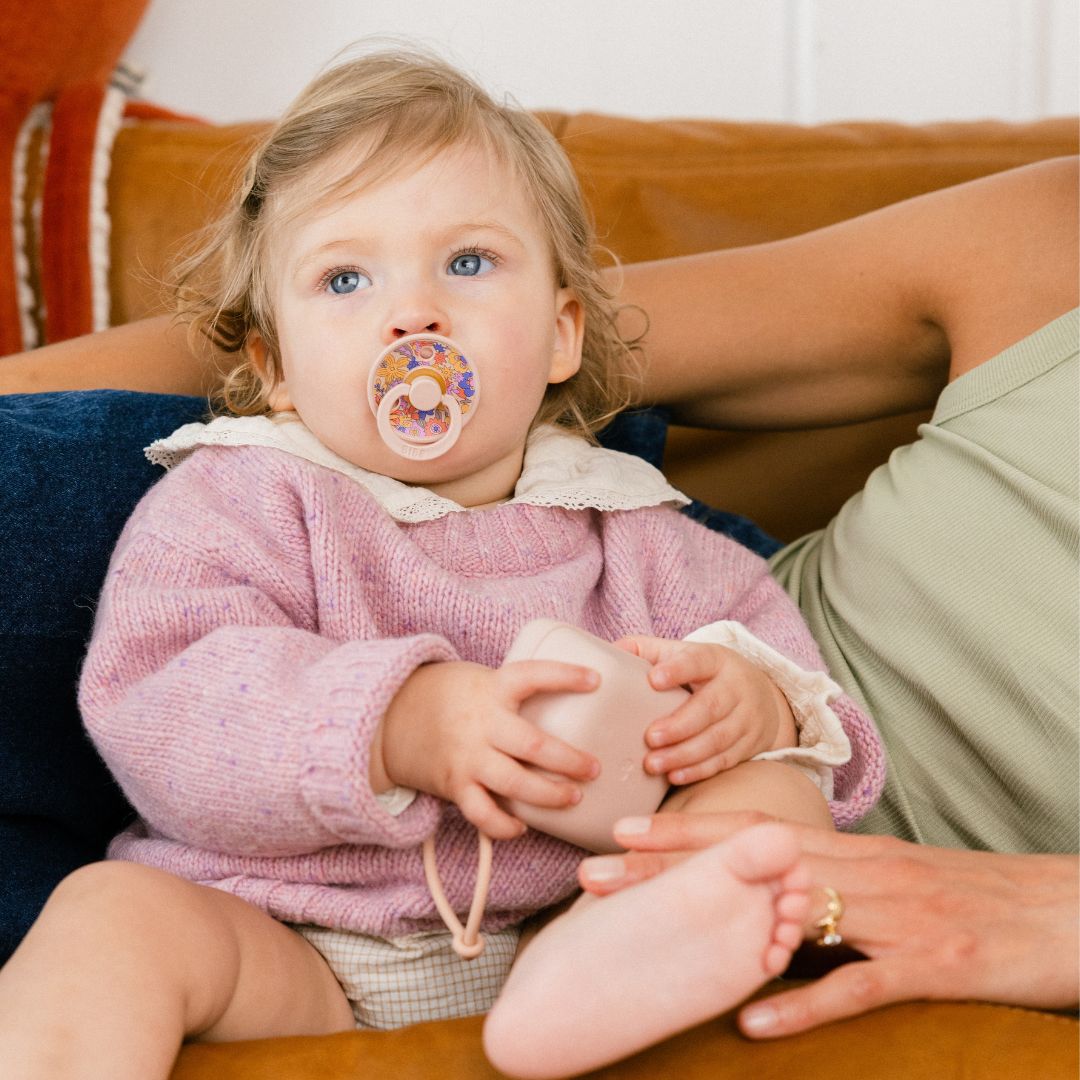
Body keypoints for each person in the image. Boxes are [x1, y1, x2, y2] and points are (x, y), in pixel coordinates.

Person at [0, 48, 885, 1080]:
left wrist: (752, 708)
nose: (413, 315)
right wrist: (399, 723)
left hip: (568, 926)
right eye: (345, 278)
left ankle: (615, 972)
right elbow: (163, 703)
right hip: (287, 945)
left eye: (467, 263)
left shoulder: (642, 532)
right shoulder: (237, 502)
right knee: (113, 916)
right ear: (277, 368)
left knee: (769, 804)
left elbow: (806, 703)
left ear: (559, 334)